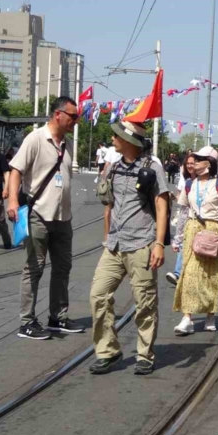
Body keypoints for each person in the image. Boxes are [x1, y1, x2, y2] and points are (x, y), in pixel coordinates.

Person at [88, 120, 169, 375]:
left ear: (130, 141)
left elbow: (161, 205)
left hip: (142, 244)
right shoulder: (113, 167)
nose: (112, 139)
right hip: (114, 244)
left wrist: (158, 243)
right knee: (97, 295)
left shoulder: (152, 168)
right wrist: (106, 238)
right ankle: (108, 350)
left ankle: (145, 354)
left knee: (144, 301)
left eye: (117, 136)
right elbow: (108, 206)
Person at [8, 96, 85, 340]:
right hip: (39, 215)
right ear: (58, 114)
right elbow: (16, 170)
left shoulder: (68, 143)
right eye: (73, 116)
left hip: (64, 217)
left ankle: (57, 317)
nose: (76, 120)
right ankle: (27, 322)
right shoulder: (36, 138)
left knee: (63, 267)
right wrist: (12, 201)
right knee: (34, 268)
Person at [172, 146, 218, 334]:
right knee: (188, 273)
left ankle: (210, 314)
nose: (195, 162)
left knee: (211, 276)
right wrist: (178, 237)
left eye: (199, 159)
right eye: (194, 159)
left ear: (210, 163)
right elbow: (182, 212)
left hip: (213, 231)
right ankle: (187, 317)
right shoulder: (189, 185)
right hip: (192, 229)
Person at [167, 153, 197, 285]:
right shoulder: (185, 180)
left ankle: (185, 274)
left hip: (201, 220)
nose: (190, 166)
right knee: (185, 243)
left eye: (193, 163)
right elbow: (181, 200)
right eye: (188, 163)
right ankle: (178, 273)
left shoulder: (206, 180)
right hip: (187, 217)